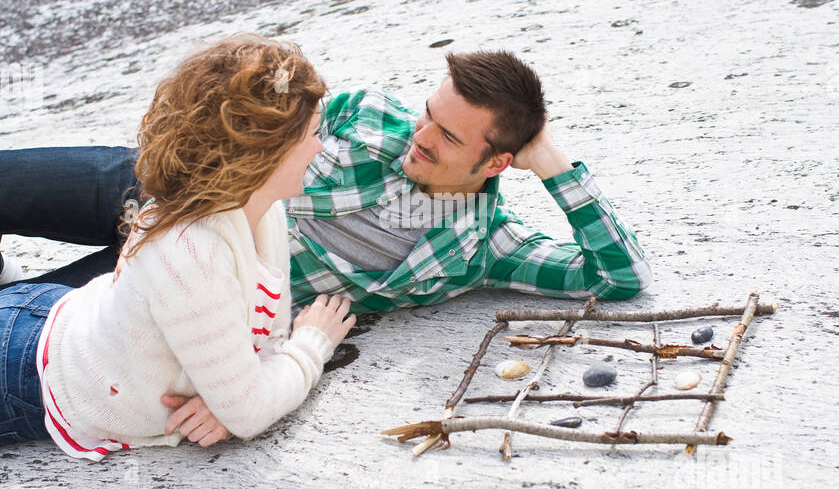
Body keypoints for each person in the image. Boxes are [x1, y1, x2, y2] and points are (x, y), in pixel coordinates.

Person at [0, 49, 651, 317]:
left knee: (16, 317)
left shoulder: (484, 246)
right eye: (431, 114)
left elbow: (617, 278)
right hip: (154, 185)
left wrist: (557, 167)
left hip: (189, 270)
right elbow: (264, 118)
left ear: (496, 164)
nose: (420, 136)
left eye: (449, 138)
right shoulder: (372, 113)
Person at [0, 35, 355, 455]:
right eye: (313, 133)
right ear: (266, 153)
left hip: (54, 319)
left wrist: (229, 399)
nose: (321, 146)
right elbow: (252, 408)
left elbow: (265, 346)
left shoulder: (264, 211)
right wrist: (312, 345)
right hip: (20, 368)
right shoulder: (190, 253)